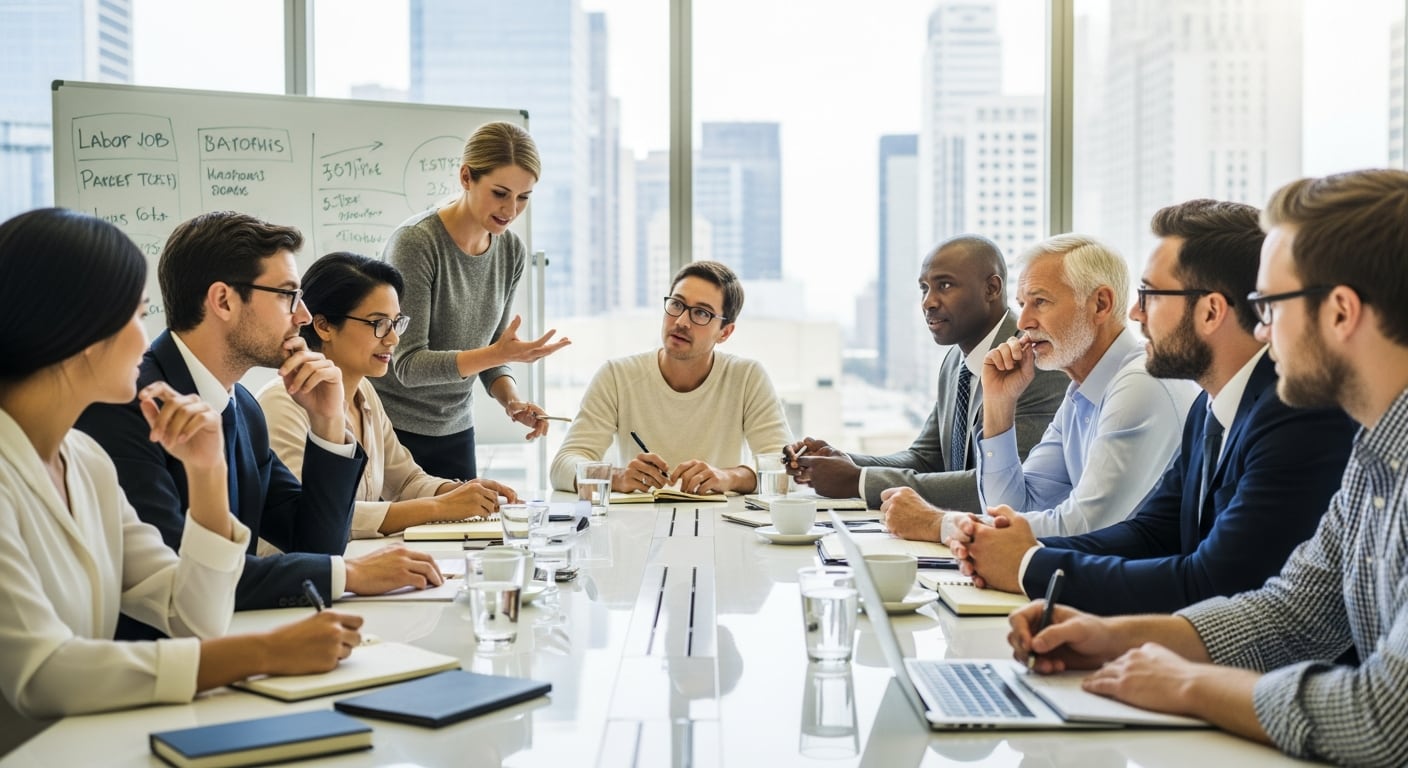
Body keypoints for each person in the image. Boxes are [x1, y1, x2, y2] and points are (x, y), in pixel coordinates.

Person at [1009, 169, 1408, 766]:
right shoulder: (1374, 456)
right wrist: (1114, 638)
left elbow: (1382, 718)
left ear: (1342, 313)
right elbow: (1295, 611)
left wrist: (1187, 684)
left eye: (1270, 305)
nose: (1262, 329)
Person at [0, 209, 362, 723]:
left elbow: (193, 614)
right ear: (69, 327)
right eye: (132, 316)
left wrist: (208, 473)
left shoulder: (85, 463)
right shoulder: (117, 420)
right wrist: (263, 653)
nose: (141, 338)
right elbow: (43, 675)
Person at [944, 200, 1355, 612]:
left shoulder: (1292, 416)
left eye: (1151, 295)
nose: (1136, 312)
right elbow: (1151, 533)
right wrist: (1013, 551)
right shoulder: (1209, 410)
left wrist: (1026, 563)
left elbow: (1212, 580)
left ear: (1211, 310)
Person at [76, 211, 443, 636]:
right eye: (288, 295)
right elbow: (187, 574)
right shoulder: (131, 403)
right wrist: (347, 576)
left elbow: (316, 543)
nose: (303, 315)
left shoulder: (243, 409)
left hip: (226, 639)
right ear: (224, 301)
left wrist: (326, 423)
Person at [883, 234, 1198, 543]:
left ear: (1100, 304)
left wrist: (940, 524)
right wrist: (999, 406)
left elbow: (1085, 527)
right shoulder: (1080, 393)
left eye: (1040, 301)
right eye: (1023, 304)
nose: (1024, 322)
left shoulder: (1139, 383)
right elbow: (1011, 510)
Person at [783, 235, 1065, 509]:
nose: (928, 302)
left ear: (991, 289)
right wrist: (845, 461)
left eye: (945, 285)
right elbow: (926, 458)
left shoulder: (1036, 361)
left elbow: (1002, 486)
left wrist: (859, 481)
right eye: (924, 288)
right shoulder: (955, 361)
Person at [259, 252, 520, 541]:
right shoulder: (282, 404)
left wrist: (461, 493)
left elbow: (406, 479)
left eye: (397, 323)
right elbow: (312, 517)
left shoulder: (365, 392)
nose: (393, 338)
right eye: (378, 324)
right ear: (324, 326)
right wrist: (438, 507)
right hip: (302, 579)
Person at [372, 121, 571, 480]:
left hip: (455, 429)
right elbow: (408, 365)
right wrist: (499, 353)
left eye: (523, 197)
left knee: (466, 533)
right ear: (466, 177)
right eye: (500, 193)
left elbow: (492, 350)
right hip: (390, 430)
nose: (511, 210)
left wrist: (512, 401)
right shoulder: (417, 243)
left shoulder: (510, 250)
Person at [549, 260, 791, 495]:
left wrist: (727, 477)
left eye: (701, 313)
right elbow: (562, 466)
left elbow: (786, 468)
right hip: (637, 527)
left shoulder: (747, 377)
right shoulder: (617, 376)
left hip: (721, 523)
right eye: (676, 305)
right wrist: (616, 477)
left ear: (725, 332)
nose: (681, 321)